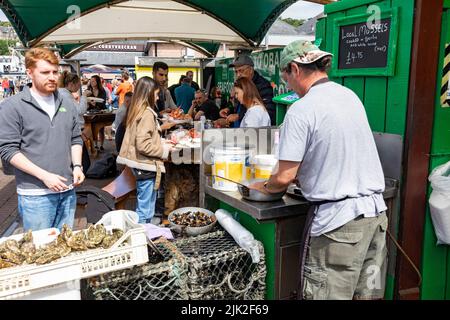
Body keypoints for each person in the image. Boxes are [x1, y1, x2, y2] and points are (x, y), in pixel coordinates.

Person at [249, 40, 388, 300]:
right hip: (375, 218)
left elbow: (284, 177)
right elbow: (334, 149)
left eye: (286, 78)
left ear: (295, 68)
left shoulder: (302, 109)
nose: (288, 85)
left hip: (339, 227)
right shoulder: (349, 96)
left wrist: (265, 186)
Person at [0, 47, 84, 231]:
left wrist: (77, 166)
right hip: (35, 195)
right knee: (40, 252)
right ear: (29, 72)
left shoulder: (66, 103)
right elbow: (8, 150)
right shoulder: (12, 107)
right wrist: (44, 176)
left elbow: (75, 138)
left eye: (55, 72)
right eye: (45, 72)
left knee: (64, 247)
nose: (52, 77)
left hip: (67, 190)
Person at [116, 76, 174, 224]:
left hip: (139, 166)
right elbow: (143, 144)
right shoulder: (147, 113)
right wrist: (164, 149)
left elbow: (142, 138)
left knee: (144, 206)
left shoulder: (137, 109)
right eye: (155, 94)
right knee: (146, 209)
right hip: (146, 166)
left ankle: (144, 234)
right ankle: (142, 238)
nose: (156, 98)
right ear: (148, 94)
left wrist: (160, 140)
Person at [219, 55, 276, 126]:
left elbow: (268, 112)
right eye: (236, 72)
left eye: (241, 71)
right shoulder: (240, 84)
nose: (238, 74)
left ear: (251, 70)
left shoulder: (263, 86)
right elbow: (240, 105)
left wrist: (238, 116)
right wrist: (229, 110)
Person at [58, 71, 90, 174]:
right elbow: (80, 110)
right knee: (83, 162)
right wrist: (84, 96)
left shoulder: (63, 94)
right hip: (73, 131)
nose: (78, 87)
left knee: (81, 161)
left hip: (71, 130)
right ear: (71, 84)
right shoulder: (65, 95)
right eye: (78, 85)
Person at [86, 75, 107, 151]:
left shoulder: (102, 90)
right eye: (91, 81)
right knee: (93, 129)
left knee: (101, 129)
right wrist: (89, 103)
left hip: (101, 112)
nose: (91, 82)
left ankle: (101, 145)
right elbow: (86, 100)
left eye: (93, 81)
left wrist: (96, 104)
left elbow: (103, 101)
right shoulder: (88, 90)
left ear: (97, 82)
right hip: (91, 113)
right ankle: (95, 145)